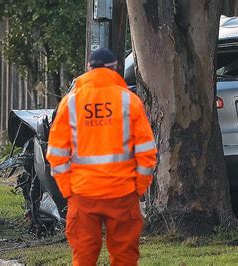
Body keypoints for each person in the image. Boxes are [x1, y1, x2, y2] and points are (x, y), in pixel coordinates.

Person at [46, 48, 157, 266]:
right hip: (123, 192)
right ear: (116, 68)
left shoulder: (71, 103)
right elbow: (146, 152)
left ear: (88, 69)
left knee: (84, 256)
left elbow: (56, 153)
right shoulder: (129, 101)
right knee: (125, 257)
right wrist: (139, 188)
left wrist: (68, 190)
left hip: (83, 194)